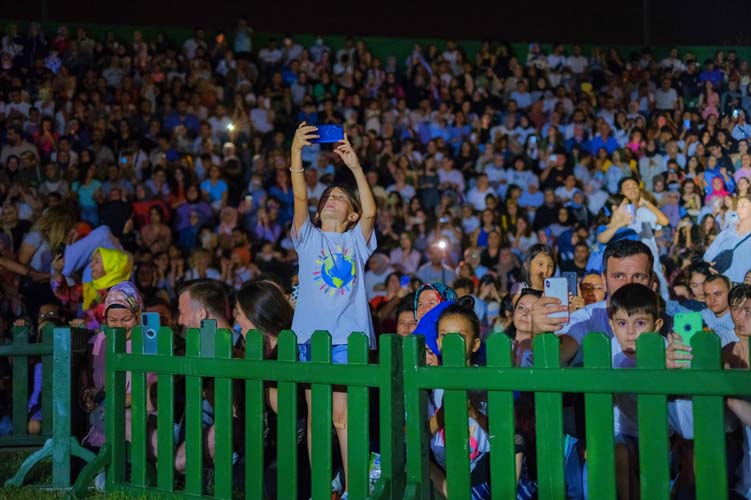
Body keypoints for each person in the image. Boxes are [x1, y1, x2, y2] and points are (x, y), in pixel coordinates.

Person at [289, 122, 377, 498]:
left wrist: (355, 167)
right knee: (318, 418)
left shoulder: (357, 241)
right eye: (328, 196)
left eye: (340, 198)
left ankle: (354, 489)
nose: (330, 200)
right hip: (310, 339)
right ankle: (322, 489)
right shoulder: (307, 238)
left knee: (344, 418)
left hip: (347, 341)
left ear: (351, 214)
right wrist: (296, 152)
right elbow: (299, 197)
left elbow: (372, 212)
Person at [531, 239, 654, 364]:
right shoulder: (585, 319)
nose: (628, 284)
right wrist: (539, 332)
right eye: (618, 276)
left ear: (651, 282)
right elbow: (558, 354)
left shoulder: (666, 323)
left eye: (638, 276)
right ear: (604, 281)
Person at [604, 283, 665, 500]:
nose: (630, 332)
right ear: (612, 325)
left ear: (656, 325)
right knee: (621, 455)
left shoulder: (666, 351)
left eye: (640, 323)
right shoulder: (607, 351)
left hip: (662, 434)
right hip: (623, 432)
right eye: (622, 323)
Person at [704, 194, 751, 284]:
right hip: (723, 284)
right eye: (737, 206)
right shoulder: (726, 233)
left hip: (744, 287)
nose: (739, 209)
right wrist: (708, 267)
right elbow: (708, 257)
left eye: (743, 206)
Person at [700, 274, 739, 346]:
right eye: (707, 295)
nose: (712, 300)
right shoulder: (701, 316)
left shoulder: (741, 318)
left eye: (717, 294)